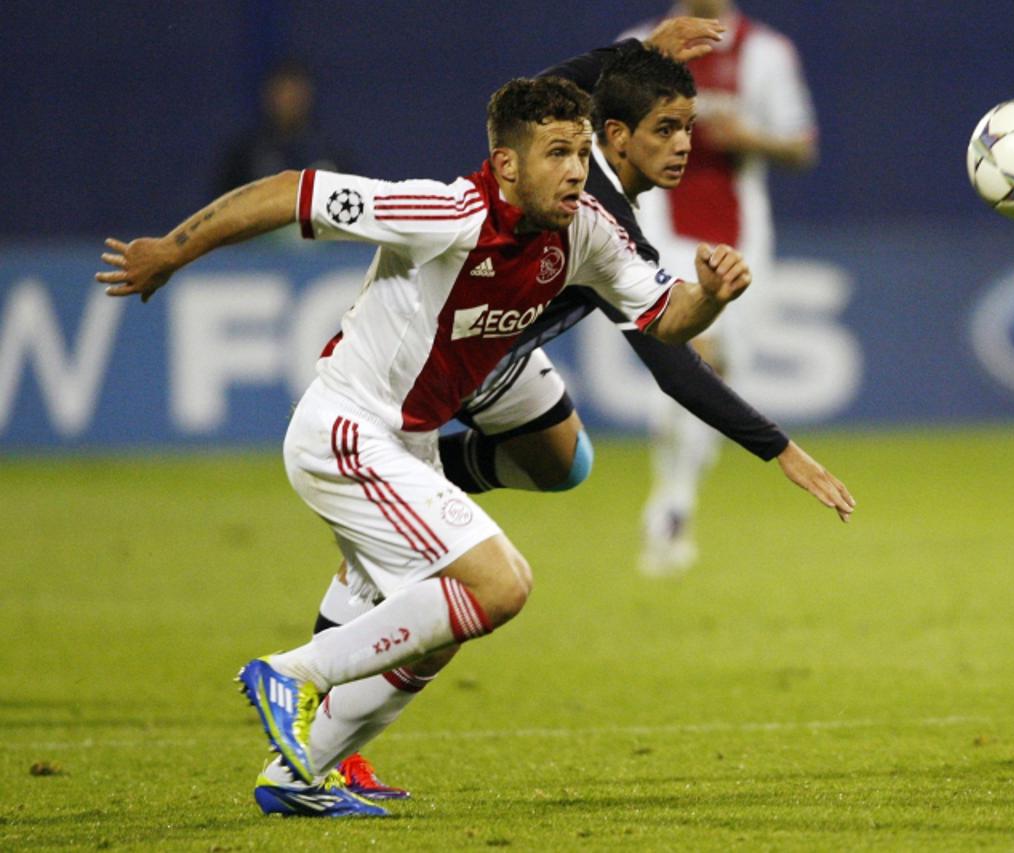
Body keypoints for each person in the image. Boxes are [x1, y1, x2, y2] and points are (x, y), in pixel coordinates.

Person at [96, 74, 752, 818]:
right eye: (556, 152)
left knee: (437, 629)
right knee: (501, 585)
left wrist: (710, 298)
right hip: (346, 430)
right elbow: (292, 190)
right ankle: (294, 673)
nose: (575, 168)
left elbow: (664, 317)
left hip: (408, 448)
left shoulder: (587, 231)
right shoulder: (446, 213)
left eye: (581, 150)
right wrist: (172, 252)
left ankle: (297, 772)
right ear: (507, 165)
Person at [308, 27, 854, 802]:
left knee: (568, 462)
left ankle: (444, 477)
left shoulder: (585, 159)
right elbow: (671, 363)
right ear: (618, 137)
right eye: (668, 129)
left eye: (689, 129)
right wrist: (780, 449)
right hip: (459, 356)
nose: (685, 148)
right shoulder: (595, 213)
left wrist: (638, 51)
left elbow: (549, 82)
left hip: (509, 351)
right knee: (406, 571)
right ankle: (324, 716)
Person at [621, 1, 819, 573]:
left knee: (720, 376)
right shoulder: (641, 45)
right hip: (660, 228)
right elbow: (606, 141)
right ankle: (669, 515)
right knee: (691, 355)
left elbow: (802, 146)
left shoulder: (766, 53)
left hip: (740, 235)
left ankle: (673, 501)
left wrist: (748, 136)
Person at [216, 59, 351, 195]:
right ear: (268, 95)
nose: (289, 99)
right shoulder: (246, 156)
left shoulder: (331, 154)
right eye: (283, 91)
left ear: (308, 95)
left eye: (295, 91)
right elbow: (223, 209)